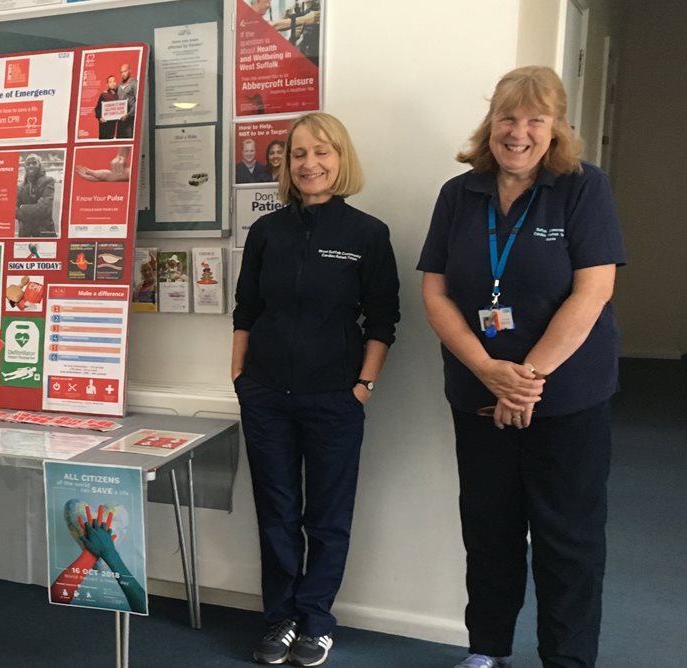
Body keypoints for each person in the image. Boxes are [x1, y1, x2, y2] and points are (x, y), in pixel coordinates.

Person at [417, 66, 624, 668]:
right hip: (479, 395)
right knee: (488, 530)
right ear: (491, 123)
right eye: (508, 117)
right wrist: (489, 371)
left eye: (536, 118)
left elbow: (591, 295)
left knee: (569, 540)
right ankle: (487, 650)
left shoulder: (585, 188)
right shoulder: (459, 194)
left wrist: (524, 380)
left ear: (557, 127)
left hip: (566, 400)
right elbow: (436, 295)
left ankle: (568, 660)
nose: (519, 131)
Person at [231, 112, 399, 666]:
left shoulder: (367, 234)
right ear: (286, 164)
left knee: (327, 516)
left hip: (335, 399)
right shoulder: (266, 232)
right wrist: (239, 377)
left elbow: (382, 320)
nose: (310, 164)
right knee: (277, 511)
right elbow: (246, 311)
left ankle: (317, 620)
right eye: (299, 154)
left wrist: (364, 384)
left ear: (341, 159)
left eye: (322, 152)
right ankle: (279, 618)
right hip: (266, 396)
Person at [15, 154, 56, 238]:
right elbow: (14, 210)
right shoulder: (20, 186)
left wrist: (22, 207)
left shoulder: (48, 181)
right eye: (28, 163)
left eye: (34, 163)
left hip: (44, 230)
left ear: (39, 165)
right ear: (24, 166)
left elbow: (44, 209)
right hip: (25, 232)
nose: (31, 166)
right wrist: (35, 208)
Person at [93, 75, 121, 140]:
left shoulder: (119, 95)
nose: (112, 83)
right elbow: (97, 109)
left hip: (115, 125)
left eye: (114, 81)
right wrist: (100, 118)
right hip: (105, 124)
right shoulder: (104, 95)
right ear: (107, 85)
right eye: (110, 82)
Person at [116, 63, 138, 139]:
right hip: (120, 120)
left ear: (129, 71)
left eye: (125, 71)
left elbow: (138, 101)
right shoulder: (119, 86)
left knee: (129, 141)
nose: (123, 74)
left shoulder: (134, 83)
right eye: (121, 72)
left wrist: (128, 114)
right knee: (120, 140)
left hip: (130, 118)